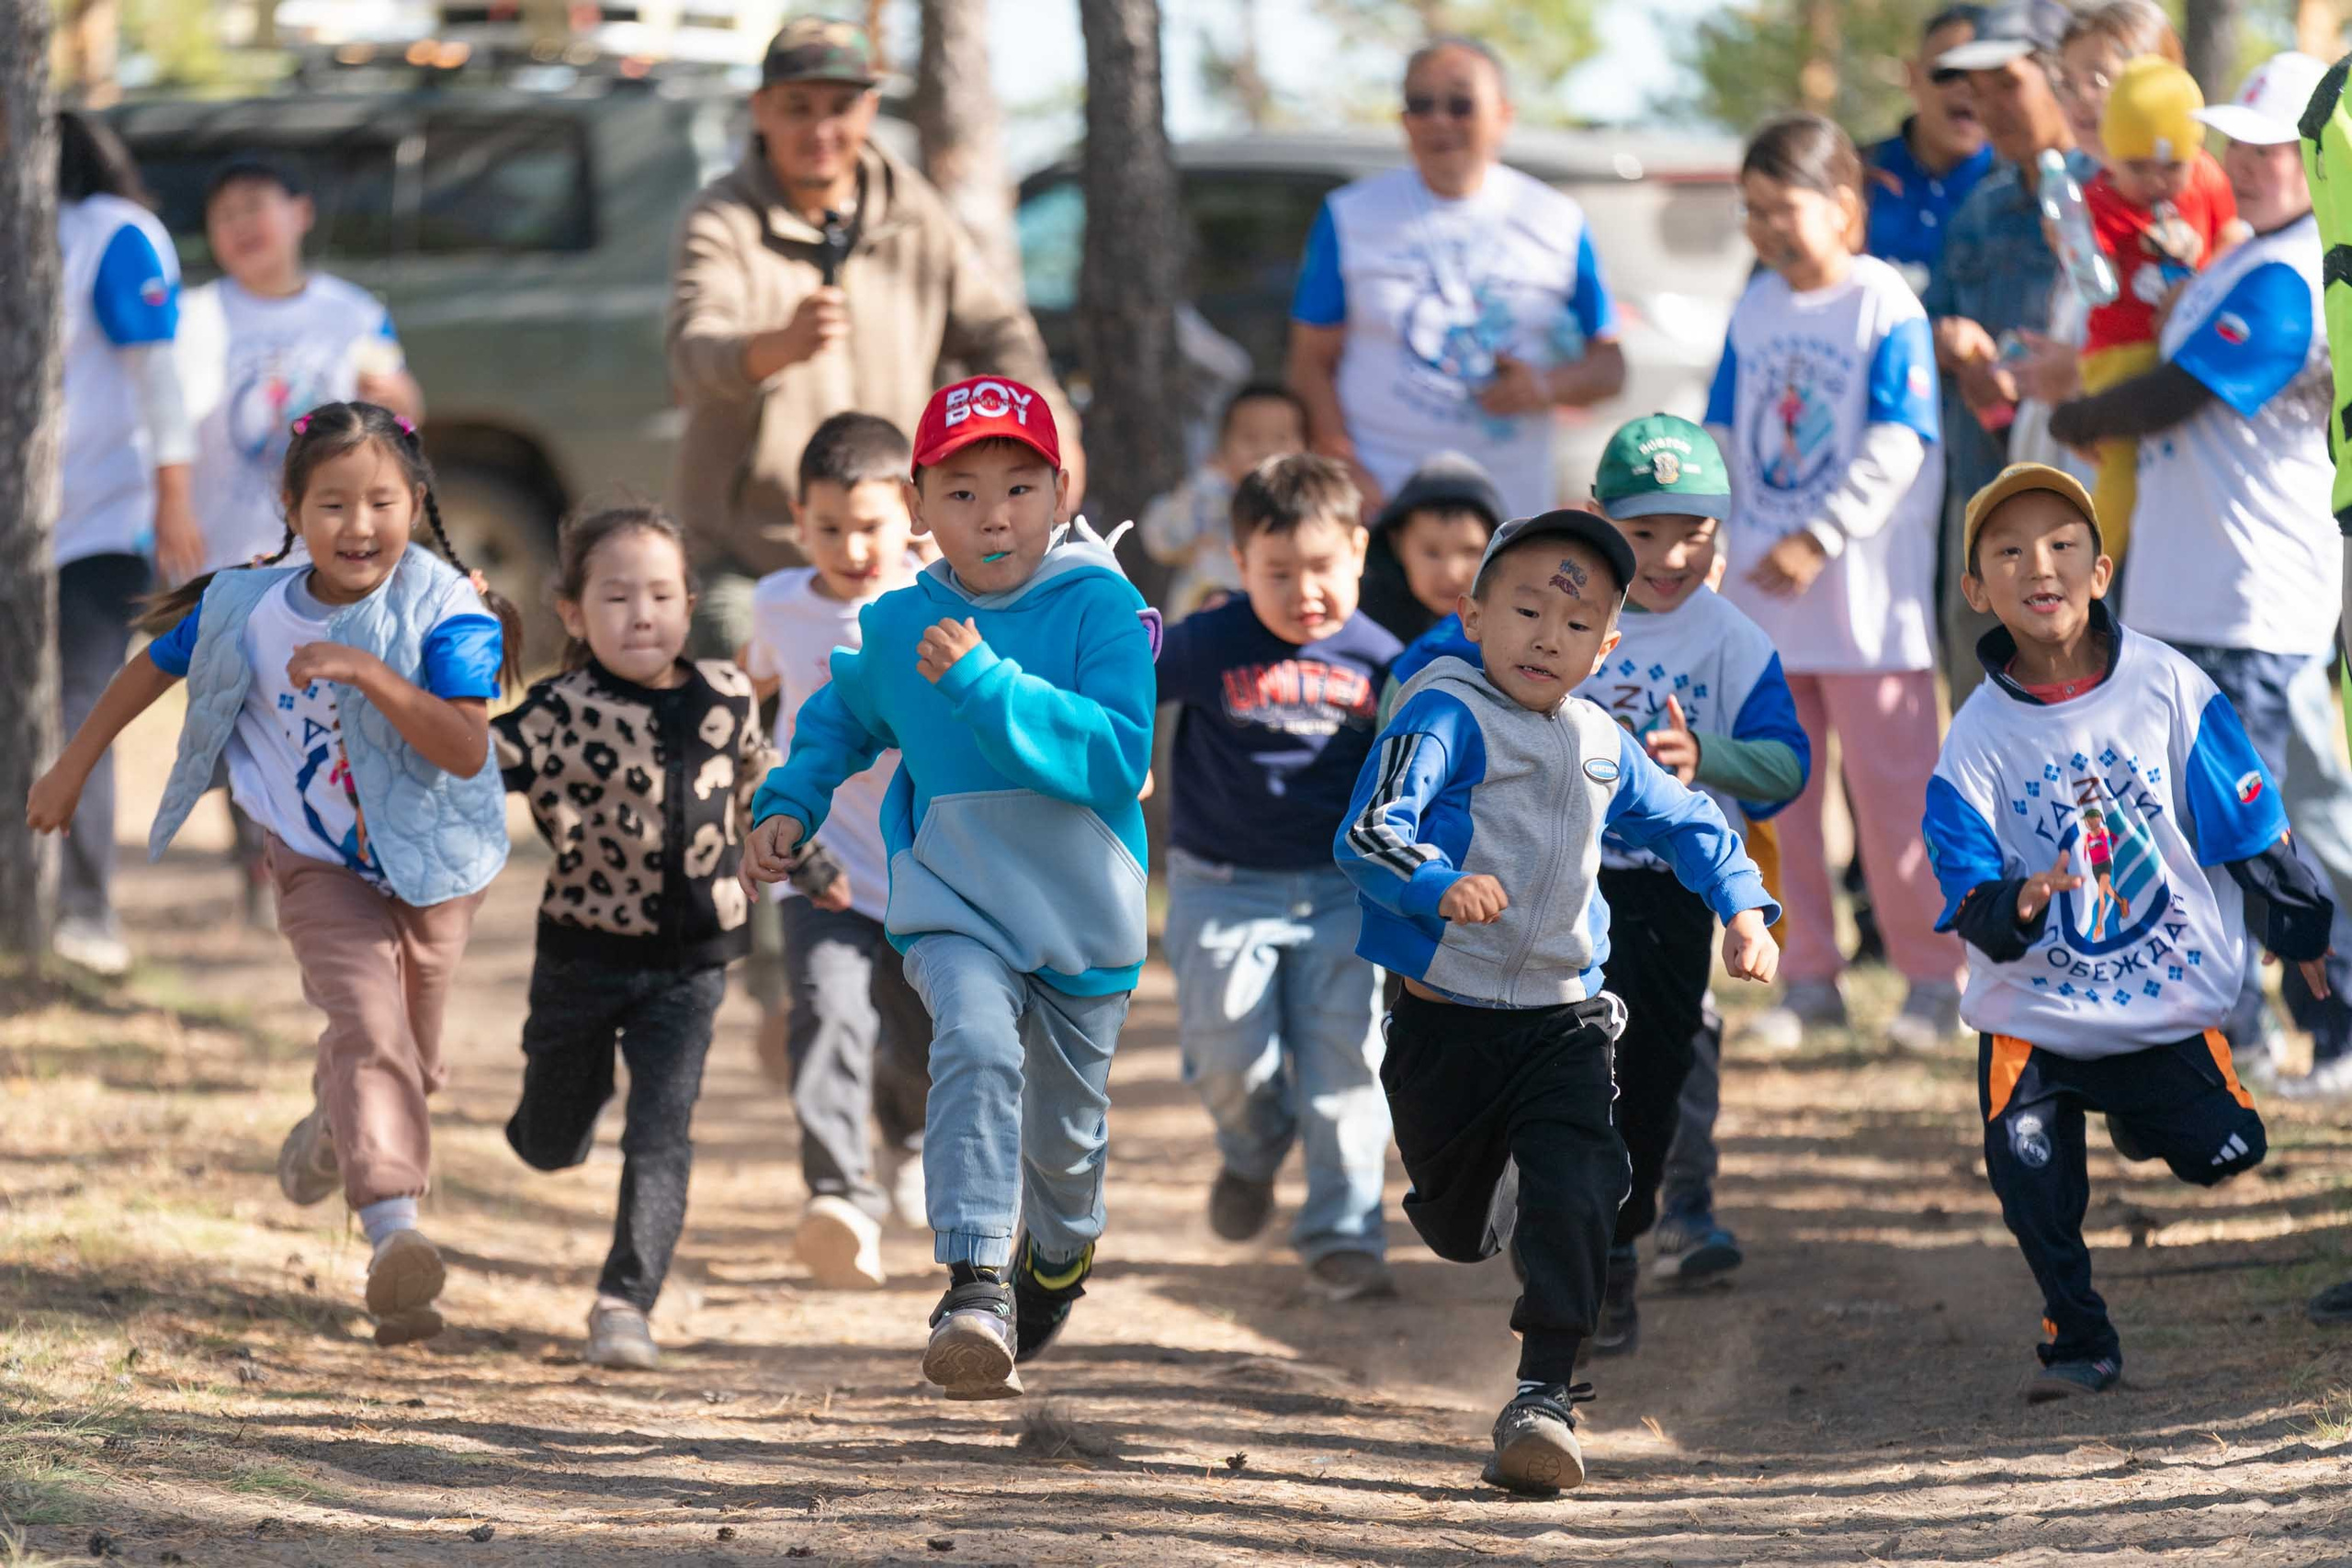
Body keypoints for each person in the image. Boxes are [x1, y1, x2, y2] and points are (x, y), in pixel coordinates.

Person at [26, 401, 524, 1346]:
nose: (359, 525)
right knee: (369, 1025)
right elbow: (151, 670)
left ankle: (333, 1133)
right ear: (291, 509)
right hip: (311, 858)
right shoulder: (249, 608)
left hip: (435, 865)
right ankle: (394, 1240)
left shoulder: (449, 607)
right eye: (332, 503)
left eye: (381, 501)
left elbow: (464, 748)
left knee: (407, 1058)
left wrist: (369, 673)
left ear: (417, 503)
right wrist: (71, 764)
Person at [1336, 508, 1778, 1495]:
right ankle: (1489, 1192)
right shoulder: (1440, 709)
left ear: (1608, 645)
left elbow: (1691, 822)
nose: (1547, 636)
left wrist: (1744, 910)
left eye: (1576, 626)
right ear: (1473, 611)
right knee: (1453, 1227)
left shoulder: (1598, 740)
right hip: (1442, 1014)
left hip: (1563, 1015)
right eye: (1526, 609)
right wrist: (1433, 880)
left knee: (1583, 1182)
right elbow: (1367, 832)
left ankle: (1542, 1394)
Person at [741, 376, 1155, 1400]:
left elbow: (1116, 758)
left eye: (1019, 487)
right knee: (969, 1041)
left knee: (1064, 1147)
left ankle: (1053, 1259)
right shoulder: (893, 625)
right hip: (954, 903)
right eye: (961, 493)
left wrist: (985, 684)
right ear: (919, 508)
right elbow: (839, 719)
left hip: (1081, 915)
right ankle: (974, 1282)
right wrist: (789, 802)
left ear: (1060, 494)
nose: (993, 514)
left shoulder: (1099, 606)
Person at [1923, 463, 2329, 1399]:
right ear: (1977, 589)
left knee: (2231, 1151)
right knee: (2030, 1183)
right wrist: (2015, 906)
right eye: (2011, 550)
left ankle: (2146, 1117)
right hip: (2032, 1015)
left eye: (2064, 544)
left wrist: (2300, 923)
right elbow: (1968, 891)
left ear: (2100, 572)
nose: (2042, 565)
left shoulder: (2168, 686)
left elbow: (2248, 821)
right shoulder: (1974, 741)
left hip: (2158, 1004)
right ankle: (2078, 1338)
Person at [2041, 50, 2352, 1100]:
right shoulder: (2238, 255)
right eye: (2241, 143)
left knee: (2277, 827)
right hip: (2192, 595)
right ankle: (2254, 1031)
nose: (2253, 164)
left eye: (2277, 148)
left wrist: (2076, 415)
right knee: (2231, 833)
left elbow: (2177, 393)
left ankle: (2328, 1028)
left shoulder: (2293, 267)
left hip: (2250, 599)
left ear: (2316, 157)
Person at [665, 17, 1080, 661]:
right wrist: (775, 345)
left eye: (841, 106)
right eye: (798, 107)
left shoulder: (914, 213)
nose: (821, 129)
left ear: (870, 109)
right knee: (750, 734)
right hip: (759, 557)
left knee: (939, 729)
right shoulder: (723, 218)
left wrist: (1051, 421)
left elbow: (997, 330)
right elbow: (693, 354)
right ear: (761, 111)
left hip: (898, 550)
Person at [493, 505, 775, 1369]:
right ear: (573, 613)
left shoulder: (727, 695)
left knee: (662, 1129)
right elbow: (464, 763)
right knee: (548, 1140)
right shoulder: (555, 710)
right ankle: (556, 1119)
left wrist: (801, 855)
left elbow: (762, 790)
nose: (641, 613)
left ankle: (625, 1301)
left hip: (691, 967)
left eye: (661, 594)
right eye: (615, 596)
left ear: (690, 605)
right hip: (581, 955)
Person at [1705, 115, 1962, 1055]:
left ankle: (1933, 980)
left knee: (1897, 806)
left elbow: (1901, 440)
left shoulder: (1883, 303)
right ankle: (1803, 973)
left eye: (1786, 209)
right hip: (1766, 616)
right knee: (1780, 803)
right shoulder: (1755, 307)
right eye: (1752, 212)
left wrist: (1819, 536)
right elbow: (1726, 438)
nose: (1768, 230)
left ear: (1846, 209)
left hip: (1868, 615)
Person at [1575, 415, 1809, 1346]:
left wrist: (1706, 754)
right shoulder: (1563, 601)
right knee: (1564, 1063)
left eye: (1695, 532)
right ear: (1596, 519)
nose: (1670, 555)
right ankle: (1574, 1241)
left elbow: (1787, 767)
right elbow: (1472, 661)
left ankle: (1624, 1246)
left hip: (1676, 886)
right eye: (1642, 534)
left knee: (1653, 1071)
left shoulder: (1734, 641)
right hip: (1567, 882)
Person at [1155, 455, 1398, 1300]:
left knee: (1346, 1065)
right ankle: (1252, 1151)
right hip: (1223, 885)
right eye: (1278, 572)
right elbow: (1119, 680)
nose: (1305, 592)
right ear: (1237, 560)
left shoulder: (1384, 659)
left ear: (1360, 553)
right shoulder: (1210, 639)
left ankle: (1344, 1232)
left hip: (1343, 891)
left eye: (1324, 568)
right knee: (1230, 1055)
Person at [177, 155, 427, 931]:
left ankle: (336, 854)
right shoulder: (196, 317)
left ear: (302, 213)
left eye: (257, 206)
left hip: (331, 559)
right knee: (235, 710)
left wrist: (399, 403)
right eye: (224, 216)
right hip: (229, 550)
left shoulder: (350, 311)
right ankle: (259, 859)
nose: (242, 226)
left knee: (332, 705)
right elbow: (164, 427)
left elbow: (404, 407)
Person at [740, 412, 933, 1287]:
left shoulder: (940, 598)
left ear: (913, 517)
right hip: (822, 867)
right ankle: (840, 1198)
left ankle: (918, 1143)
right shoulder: (777, 600)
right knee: (828, 1013)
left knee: (921, 1036)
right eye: (829, 528)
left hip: (931, 874)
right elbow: (751, 683)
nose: (852, 547)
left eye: (872, 527)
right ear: (797, 517)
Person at [1285, 35, 1624, 521]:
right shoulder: (1350, 214)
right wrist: (1343, 465)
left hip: (1509, 511)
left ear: (1504, 115)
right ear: (1403, 122)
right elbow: (1309, 362)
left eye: (1460, 104)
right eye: (1420, 104)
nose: (1439, 120)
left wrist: (1548, 386)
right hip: (1386, 507)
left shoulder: (1556, 218)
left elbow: (1610, 367)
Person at [50, 110, 200, 978]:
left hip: (99, 518)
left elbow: (160, 369)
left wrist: (172, 496)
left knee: (81, 708)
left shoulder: (113, 232)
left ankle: (86, 910)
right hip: (21, 524)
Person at [1926, 0, 2101, 697]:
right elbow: (1936, 321)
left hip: (2085, 510)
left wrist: (2039, 384)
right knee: (1983, 712)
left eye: (2009, 84)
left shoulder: (2114, 200)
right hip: (1983, 501)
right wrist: (1951, 345)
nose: (1988, 106)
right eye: (1978, 89)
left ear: (2060, 80)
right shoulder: (1979, 209)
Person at [2070, 58, 2239, 564]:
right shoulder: (2097, 201)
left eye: (2172, 167)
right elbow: (2084, 271)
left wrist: (2204, 264)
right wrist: (2074, 242)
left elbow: (2231, 232)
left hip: (2186, 353)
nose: (2158, 183)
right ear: (2109, 156)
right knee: (2119, 469)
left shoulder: (2206, 177)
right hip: (2120, 353)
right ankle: (2089, 570)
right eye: (2137, 168)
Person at [1139, 384, 1308, 619]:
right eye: (1250, 438)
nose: (1265, 450)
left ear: (1305, 449)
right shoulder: (1207, 495)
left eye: (1280, 438)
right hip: (1200, 629)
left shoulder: (1307, 509)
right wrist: (1204, 486)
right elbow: (1159, 538)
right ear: (1222, 447)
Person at [1865, 5, 1995, 296]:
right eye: (1949, 70)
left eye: (1984, 72)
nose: (1967, 87)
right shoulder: (1854, 173)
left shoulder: (2025, 191)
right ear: (1911, 76)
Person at [1357, 450, 1504, 647]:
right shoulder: (1364, 623)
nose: (1452, 574)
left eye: (1471, 551)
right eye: (1432, 553)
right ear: (1397, 544)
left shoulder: (1512, 626)